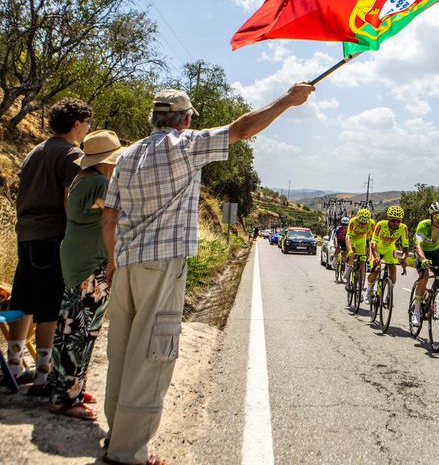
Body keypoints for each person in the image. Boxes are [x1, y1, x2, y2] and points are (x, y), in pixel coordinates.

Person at [102, 83, 314, 465]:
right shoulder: (185, 145)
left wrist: (112, 260)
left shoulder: (127, 155)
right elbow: (241, 129)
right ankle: (128, 452)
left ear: (153, 118)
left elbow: (109, 215)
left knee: (120, 352)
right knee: (151, 356)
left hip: (125, 263)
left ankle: (116, 436)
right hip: (162, 264)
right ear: (185, 120)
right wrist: (287, 100)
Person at [7, 98, 91, 394]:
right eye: (87, 123)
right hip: (53, 235)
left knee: (24, 299)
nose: (88, 128)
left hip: (26, 233)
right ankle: (44, 374)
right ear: (77, 123)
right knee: (49, 304)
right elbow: (70, 199)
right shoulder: (72, 154)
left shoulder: (36, 151)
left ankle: (13, 367)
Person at [47, 130, 123, 420]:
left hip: (75, 260)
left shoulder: (81, 179)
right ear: (108, 161)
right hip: (90, 265)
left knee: (67, 326)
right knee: (83, 331)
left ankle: (66, 386)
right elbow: (120, 214)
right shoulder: (99, 184)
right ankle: (67, 398)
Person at [364, 206, 408, 304]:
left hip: (389, 249)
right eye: (393, 220)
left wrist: (403, 258)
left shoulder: (403, 228)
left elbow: (405, 246)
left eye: (398, 221)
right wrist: (376, 257)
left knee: (393, 269)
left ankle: (389, 295)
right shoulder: (381, 225)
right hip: (376, 249)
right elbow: (373, 243)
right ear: (388, 219)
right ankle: (369, 291)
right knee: (376, 270)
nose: (395, 223)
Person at [343, 208, 375, 289]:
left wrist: (369, 248)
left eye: (365, 223)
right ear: (358, 219)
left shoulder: (371, 223)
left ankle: (361, 283)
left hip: (362, 240)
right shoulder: (353, 221)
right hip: (352, 239)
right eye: (361, 223)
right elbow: (348, 236)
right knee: (353, 255)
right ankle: (347, 271)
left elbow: (374, 238)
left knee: (363, 261)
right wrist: (350, 250)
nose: (363, 225)